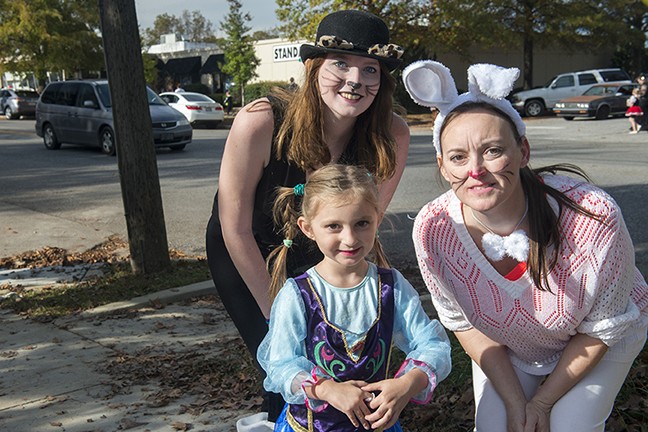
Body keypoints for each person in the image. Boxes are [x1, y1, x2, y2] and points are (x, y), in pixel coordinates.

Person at [403, 60, 648, 432]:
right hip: (511, 346)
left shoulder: (593, 215)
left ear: (523, 152)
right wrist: (518, 402)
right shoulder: (432, 229)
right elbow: (465, 326)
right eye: (457, 157)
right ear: (441, 163)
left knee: (568, 426)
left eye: (492, 150)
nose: (475, 170)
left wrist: (543, 402)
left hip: (604, 335)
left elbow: (602, 326)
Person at [205, 9, 410, 425]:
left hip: (326, 250)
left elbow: (365, 227)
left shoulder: (393, 134)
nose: (355, 80)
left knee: (341, 367)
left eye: (369, 69)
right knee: (286, 364)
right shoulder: (259, 122)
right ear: (313, 66)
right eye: (340, 64)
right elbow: (234, 225)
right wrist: (280, 312)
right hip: (248, 249)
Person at [258, 164, 452, 432]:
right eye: (333, 226)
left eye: (361, 223)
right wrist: (326, 390)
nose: (349, 239)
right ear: (308, 228)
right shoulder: (297, 295)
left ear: (378, 219)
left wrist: (407, 384)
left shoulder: (391, 287)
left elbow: (433, 345)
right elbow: (281, 365)